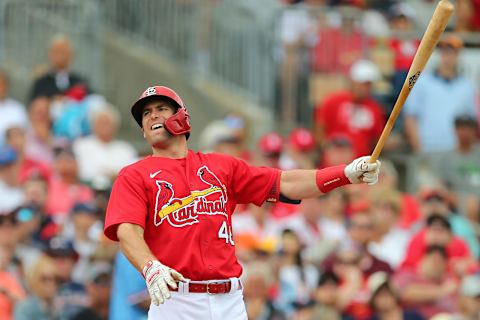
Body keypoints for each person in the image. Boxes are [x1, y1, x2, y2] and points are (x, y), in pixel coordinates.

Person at [103, 85, 381, 320]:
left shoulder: (220, 166)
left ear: (182, 116)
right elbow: (127, 230)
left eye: (161, 108)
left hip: (230, 300)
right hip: (176, 301)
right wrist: (150, 267)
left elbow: (285, 182)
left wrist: (344, 173)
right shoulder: (134, 174)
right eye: (146, 113)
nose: (152, 116)